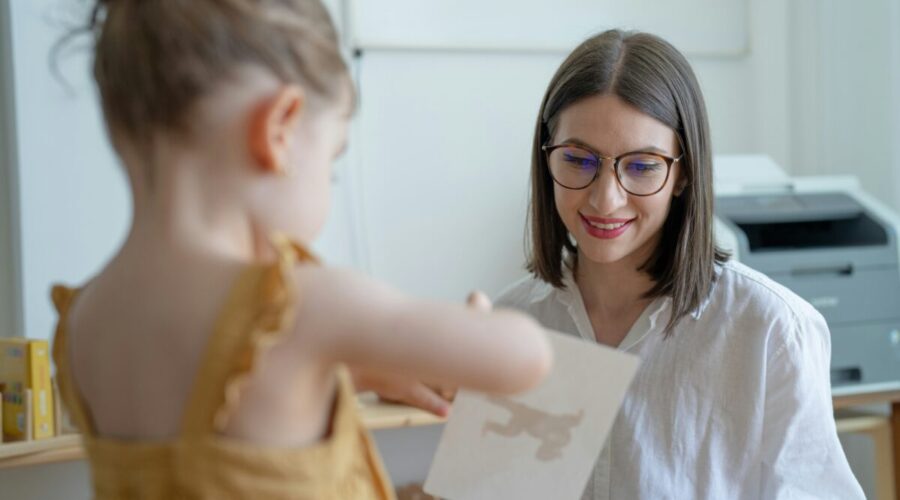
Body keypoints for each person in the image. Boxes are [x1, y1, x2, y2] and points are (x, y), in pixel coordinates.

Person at [50, 1, 551, 498]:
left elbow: (230, 412)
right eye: (331, 163)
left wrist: (353, 372)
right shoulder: (298, 302)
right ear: (280, 129)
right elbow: (525, 360)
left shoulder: (85, 321)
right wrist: (480, 324)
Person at [495, 29, 864, 499]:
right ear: (546, 155)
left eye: (643, 166)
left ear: (683, 172)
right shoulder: (513, 322)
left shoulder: (769, 330)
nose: (605, 198)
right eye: (578, 159)